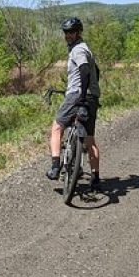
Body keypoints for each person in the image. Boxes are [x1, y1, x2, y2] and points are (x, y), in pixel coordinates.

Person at [46, 17, 102, 191]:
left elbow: (84, 70)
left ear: (79, 33)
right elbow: (96, 72)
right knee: (89, 138)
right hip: (92, 96)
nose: (68, 35)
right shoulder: (86, 49)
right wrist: (89, 94)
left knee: (57, 127)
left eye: (71, 32)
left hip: (77, 95)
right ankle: (96, 178)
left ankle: (56, 166)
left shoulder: (78, 50)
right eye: (66, 32)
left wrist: (81, 95)